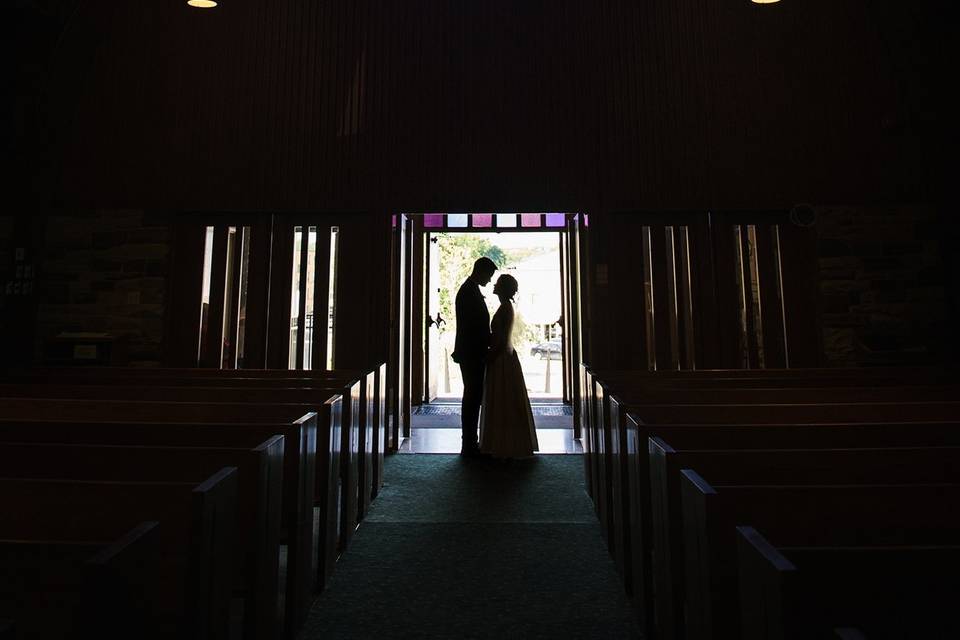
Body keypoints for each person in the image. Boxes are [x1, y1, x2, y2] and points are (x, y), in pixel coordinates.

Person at [479, 274, 539, 459]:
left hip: (501, 358)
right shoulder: (506, 307)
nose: (494, 285)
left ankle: (503, 443)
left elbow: (502, 339)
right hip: (505, 357)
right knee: (505, 400)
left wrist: (490, 356)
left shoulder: (505, 308)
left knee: (502, 398)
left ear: (503, 289)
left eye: (497, 283)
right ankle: (506, 443)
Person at [452, 256, 498, 457]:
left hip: (472, 351)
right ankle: (469, 443)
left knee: (472, 395)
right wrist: (489, 342)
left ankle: (470, 441)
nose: (489, 281)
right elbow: (472, 327)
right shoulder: (468, 293)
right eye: (488, 276)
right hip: (472, 352)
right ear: (480, 271)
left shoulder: (470, 290)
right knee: (472, 396)